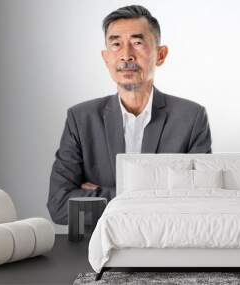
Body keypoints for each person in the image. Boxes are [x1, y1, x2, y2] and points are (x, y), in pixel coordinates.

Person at [47, 5, 212, 225]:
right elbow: (60, 207)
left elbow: (198, 203)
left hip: (167, 249)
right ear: (106, 58)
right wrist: (153, 194)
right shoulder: (81, 119)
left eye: (137, 43)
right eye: (116, 44)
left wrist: (100, 195)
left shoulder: (191, 118)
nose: (126, 55)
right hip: (100, 252)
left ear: (160, 55)